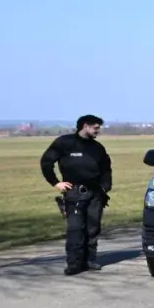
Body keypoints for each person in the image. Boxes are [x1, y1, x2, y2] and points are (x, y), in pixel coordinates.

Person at [40, 114, 112, 275]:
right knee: (75, 229)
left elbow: (106, 168)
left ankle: (90, 260)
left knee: (93, 228)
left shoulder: (97, 147)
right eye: (96, 127)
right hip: (74, 193)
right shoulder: (64, 143)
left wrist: (105, 188)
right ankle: (74, 263)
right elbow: (46, 162)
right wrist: (55, 182)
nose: (98, 131)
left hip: (95, 194)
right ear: (85, 126)